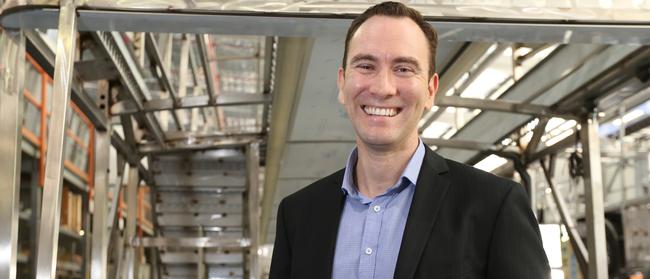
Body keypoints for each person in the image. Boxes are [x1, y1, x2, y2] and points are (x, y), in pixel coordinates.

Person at [269, 2, 550, 278]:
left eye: (403, 68)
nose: (382, 87)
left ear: (430, 90)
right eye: (366, 65)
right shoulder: (297, 215)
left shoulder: (493, 205)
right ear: (342, 83)